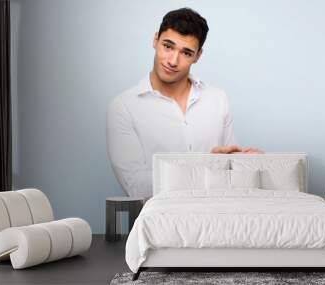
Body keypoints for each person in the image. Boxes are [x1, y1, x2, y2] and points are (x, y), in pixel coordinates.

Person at [107, 8, 263, 198]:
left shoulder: (217, 99)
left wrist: (247, 163)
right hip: (159, 222)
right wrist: (208, 166)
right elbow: (136, 186)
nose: (173, 61)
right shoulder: (124, 107)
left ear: (198, 56)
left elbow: (228, 171)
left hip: (218, 217)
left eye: (186, 53)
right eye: (168, 46)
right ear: (155, 41)